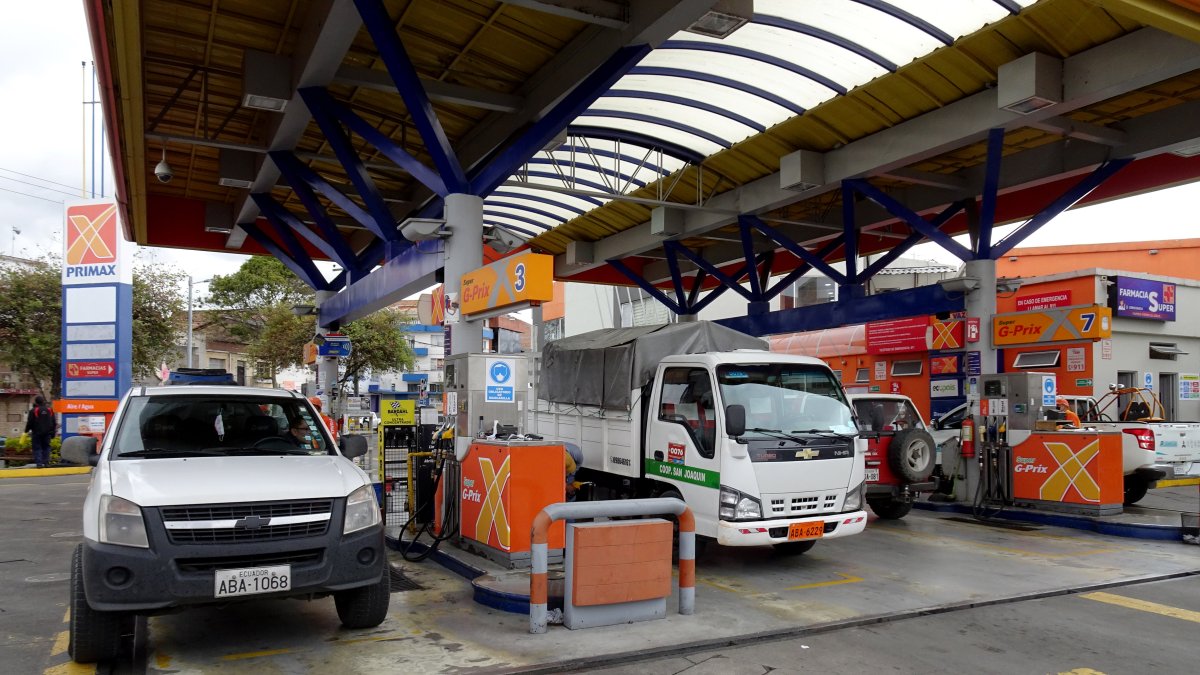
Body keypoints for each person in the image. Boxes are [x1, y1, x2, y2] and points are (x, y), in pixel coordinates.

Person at [25, 395, 56, 468]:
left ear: (36, 402)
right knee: (46, 447)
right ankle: (46, 463)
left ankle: (39, 464)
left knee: (37, 448)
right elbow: (54, 422)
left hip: (37, 433)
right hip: (48, 433)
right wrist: (53, 432)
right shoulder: (49, 410)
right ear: (43, 401)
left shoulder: (33, 410)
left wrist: (26, 431)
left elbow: (30, 422)